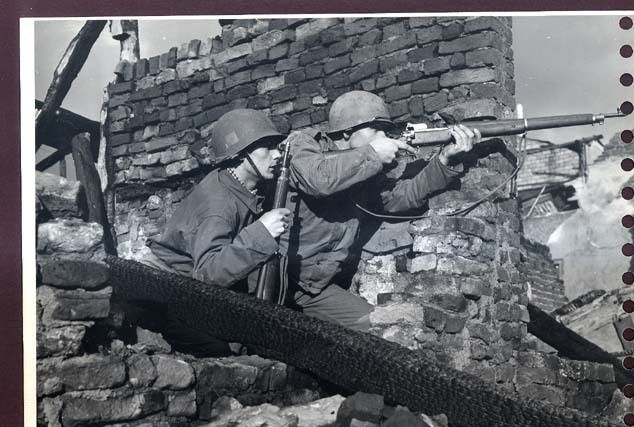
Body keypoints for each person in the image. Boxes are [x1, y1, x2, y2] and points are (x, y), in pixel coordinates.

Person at [280, 90, 481, 332]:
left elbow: (400, 197)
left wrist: (444, 160)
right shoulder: (304, 143)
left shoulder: (365, 171)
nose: (385, 136)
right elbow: (318, 179)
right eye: (377, 129)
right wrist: (373, 153)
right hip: (272, 275)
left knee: (377, 331)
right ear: (347, 131)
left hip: (312, 288)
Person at [144, 108, 291, 355]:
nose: (277, 155)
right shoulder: (219, 204)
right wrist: (262, 232)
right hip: (163, 291)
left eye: (277, 147)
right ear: (241, 154)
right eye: (267, 148)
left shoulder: (239, 184)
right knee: (219, 352)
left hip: (189, 289)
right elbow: (209, 273)